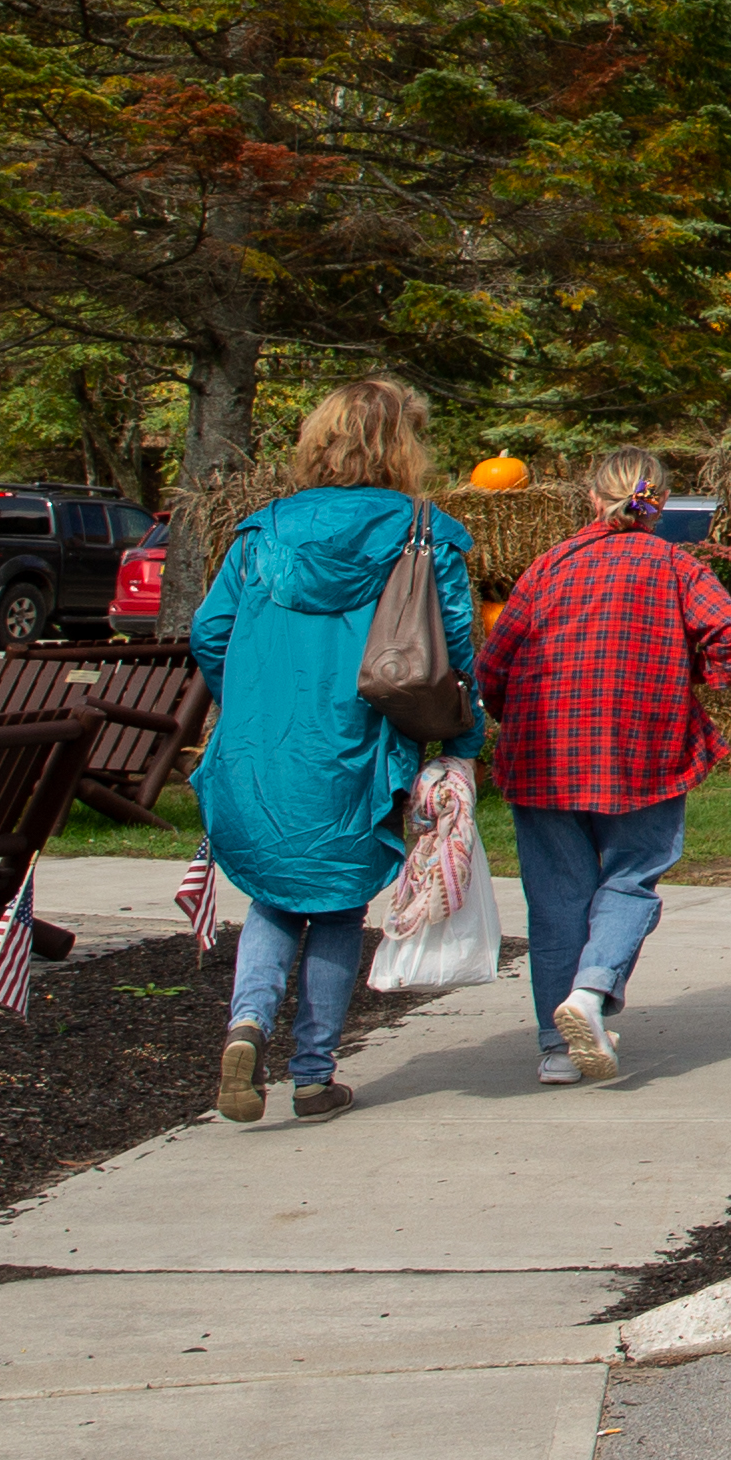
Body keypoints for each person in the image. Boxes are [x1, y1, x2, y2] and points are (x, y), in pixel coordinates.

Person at [187, 378, 475, 1126]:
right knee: (339, 905)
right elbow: (453, 652)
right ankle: (312, 1076)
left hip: (261, 746)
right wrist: (462, 742)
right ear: (402, 445)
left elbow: (210, 634)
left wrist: (248, 695)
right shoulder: (425, 532)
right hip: (360, 745)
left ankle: (246, 1024)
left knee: (275, 897)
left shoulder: (262, 531)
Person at [473, 450, 731, 1086]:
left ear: (591, 498)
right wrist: (691, 680)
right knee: (632, 877)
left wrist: (511, 714)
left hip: (545, 752)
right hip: (643, 747)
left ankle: (556, 1050)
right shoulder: (673, 565)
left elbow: (494, 660)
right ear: (658, 504)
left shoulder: (549, 566)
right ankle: (592, 992)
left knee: (555, 901)